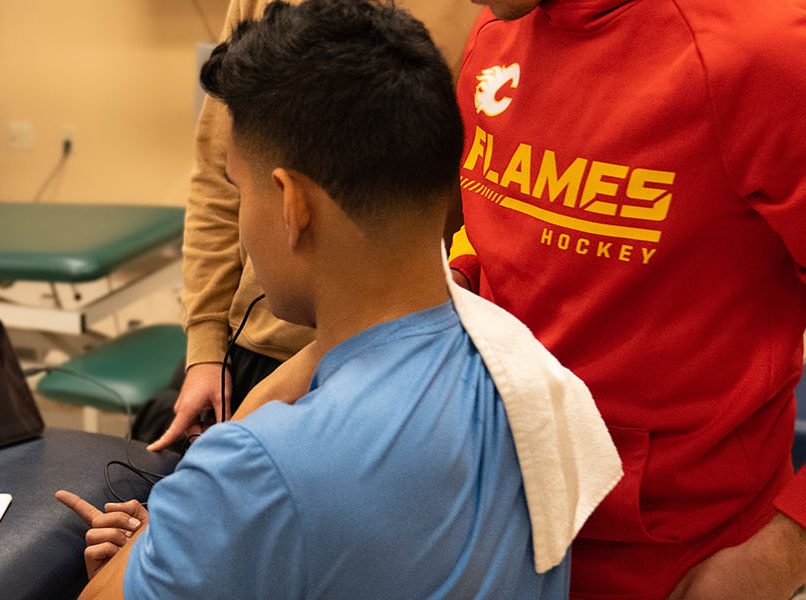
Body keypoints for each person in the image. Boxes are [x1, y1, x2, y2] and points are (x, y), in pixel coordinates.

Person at [59, 1, 620, 597]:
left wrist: (166, 538)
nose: (244, 223)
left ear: (291, 206)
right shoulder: (521, 375)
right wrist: (193, 542)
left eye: (240, 190)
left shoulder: (257, 466)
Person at [449, 0, 806, 597]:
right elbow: (495, 224)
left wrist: (786, 547)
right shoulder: (497, 32)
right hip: (502, 530)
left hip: (685, 557)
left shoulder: (764, 51)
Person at [152, 0, 480, 452]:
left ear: (292, 205)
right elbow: (220, 174)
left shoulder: (487, 17)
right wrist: (206, 346)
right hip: (257, 350)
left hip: (391, 355)